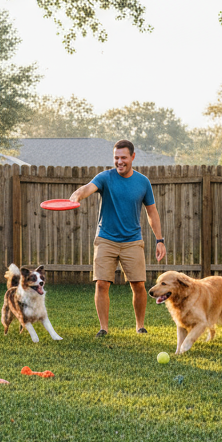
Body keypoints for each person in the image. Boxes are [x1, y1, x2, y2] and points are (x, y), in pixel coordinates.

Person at [69, 139, 166, 337]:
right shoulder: (105, 177)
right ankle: (103, 328)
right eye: (116, 158)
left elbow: (152, 212)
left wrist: (159, 240)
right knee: (102, 283)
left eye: (123, 157)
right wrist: (77, 195)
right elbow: (87, 188)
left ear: (132, 157)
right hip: (106, 238)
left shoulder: (143, 182)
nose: (119, 161)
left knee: (138, 285)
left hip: (132, 240)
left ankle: (140, 326)